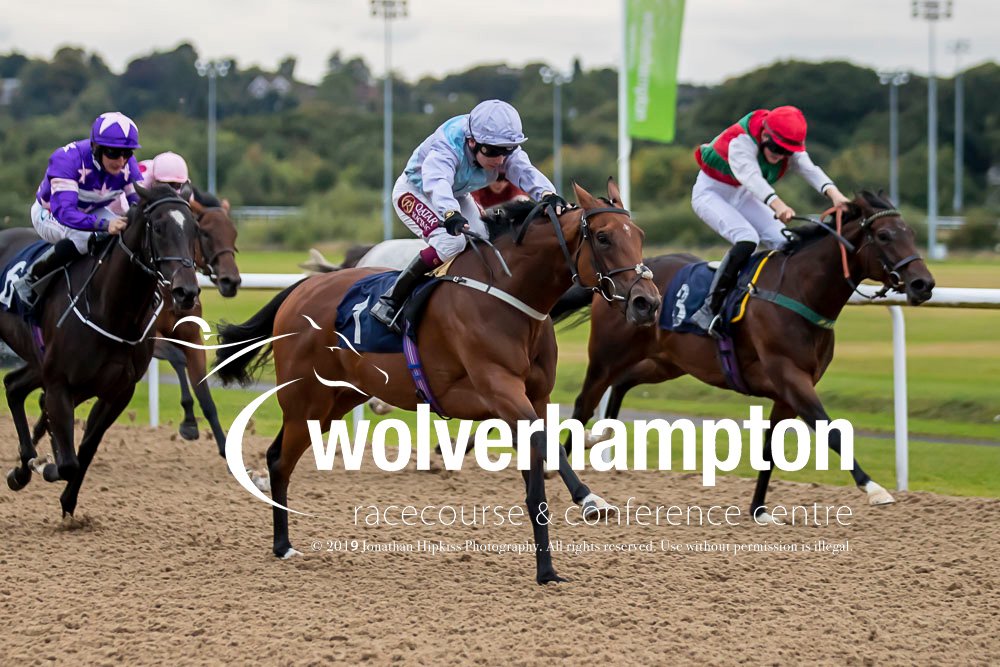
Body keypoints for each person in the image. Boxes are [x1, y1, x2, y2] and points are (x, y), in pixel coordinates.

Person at [370, 99, 566, 332]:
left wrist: (547, 194)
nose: (501, 160)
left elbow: (525, 171)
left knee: (486, 238)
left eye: (507, 151)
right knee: (450, 242)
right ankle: (391, 300)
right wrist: (450, 213)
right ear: (472, 142)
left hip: (457, 193)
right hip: (416, 192)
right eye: (493, 152)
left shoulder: (496, 143)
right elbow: (437, 182)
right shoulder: (447, 145)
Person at [689, 105, 850, 337]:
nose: (780, 155)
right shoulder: (741, 141)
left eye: (786, 152)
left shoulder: (787, 146)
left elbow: (810, 169)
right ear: (765, 134)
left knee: (785, 241)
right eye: (775, 148)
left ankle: (783, 300)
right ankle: (709, 309)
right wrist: (778, 204)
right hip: (711, 193)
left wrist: (836, 196)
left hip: (741, 194)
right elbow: (752, 178)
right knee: (747, 238)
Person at [15, 112, 142, 307]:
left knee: (126, 233)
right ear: (95, 148)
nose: (121, 161)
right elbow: (65, 213)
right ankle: (30, 278)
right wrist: (105, 225)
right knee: (84, 238)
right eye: (113, 153)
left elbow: (139, 203)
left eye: (127, 153)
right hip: (50, 213)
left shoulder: (127, 164)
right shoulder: (67, 160)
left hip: (90, 211)